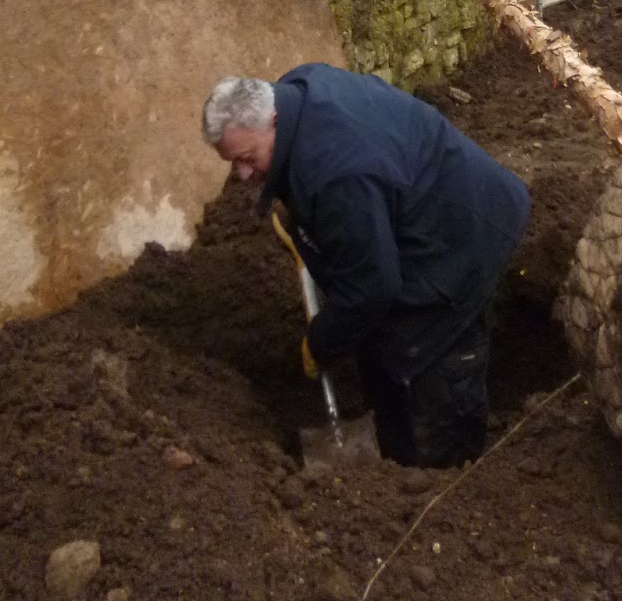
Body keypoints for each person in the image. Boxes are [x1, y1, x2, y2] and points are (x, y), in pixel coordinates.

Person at [201, 64, 530, 469]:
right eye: (234, 162)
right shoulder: (295, 91)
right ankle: (394, 442)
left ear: (272, 120)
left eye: (248, 158)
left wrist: (321, 341)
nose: (243, 174)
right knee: (378, 343)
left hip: (463, 233)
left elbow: (372, 288)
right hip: (414, 200)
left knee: (434, 355)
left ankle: (448, 468)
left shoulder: (337, 175)